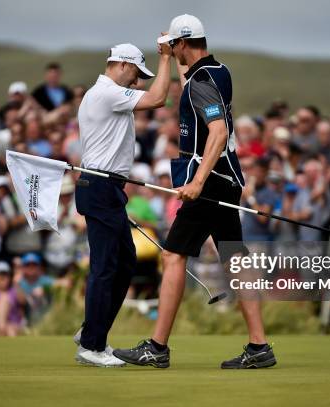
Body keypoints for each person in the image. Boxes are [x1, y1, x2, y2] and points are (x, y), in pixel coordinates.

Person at [114, 15, 276, 369]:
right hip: (226, 176)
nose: (173, 50)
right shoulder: (219, 70)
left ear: (184, 43)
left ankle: (156, 347)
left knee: (173, 255)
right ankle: (259, 346)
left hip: (211, 178)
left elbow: (216, 132)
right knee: (235, 257)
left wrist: (199, 181)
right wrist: (168, 57)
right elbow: (196, 83)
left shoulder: (201, 80)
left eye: (175, 45)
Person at [74, 40, 172, 367]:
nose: (137, 81)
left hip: (109, 188)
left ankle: (92, 328)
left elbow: (150, 95)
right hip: (100, 186)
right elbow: (159, 98)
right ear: (122, 65)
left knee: (125, 261)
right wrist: (166, 57)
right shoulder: (106, 93)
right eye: (135, 74)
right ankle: (92, 345)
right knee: (105, 267)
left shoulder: (108, 94)